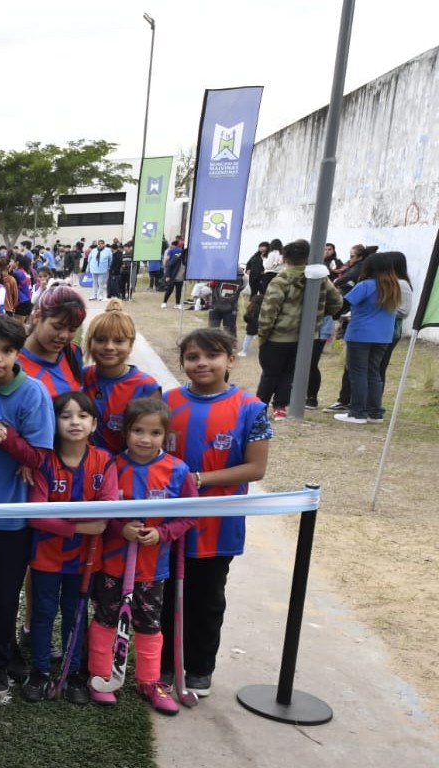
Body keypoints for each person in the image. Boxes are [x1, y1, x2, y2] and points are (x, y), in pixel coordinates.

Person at [164, 327, 271, 697]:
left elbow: (255, 468)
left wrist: (198, 478)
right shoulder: (167, 401)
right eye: (192, 357)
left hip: (218, 525)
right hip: (168, 522)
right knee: (165, 595)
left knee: (207, 597)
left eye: (211, 355)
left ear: (230, 359)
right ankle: (163, 665)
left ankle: (198, 669)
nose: (201, 363)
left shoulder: (251, 408)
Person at [7, 392, 118, 703]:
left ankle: (73, 674)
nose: (74, 422)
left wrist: (64, 512)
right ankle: (40, 671)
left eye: (82, 416)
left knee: (75, 613)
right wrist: (83, 524)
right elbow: (37, 514)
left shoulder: (104, 460)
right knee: (43, 613)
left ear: (94, 423)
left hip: (85, 559)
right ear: (53, 422)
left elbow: (108, 505)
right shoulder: (44, 461)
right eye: (66, 416)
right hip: (46, 556)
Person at [88, 397, 196, 715]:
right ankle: (101, 673)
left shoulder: (178, 471)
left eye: (155, 433)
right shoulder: (112, 465)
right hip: (113, 564)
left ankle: (150, 681)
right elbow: (100, 509)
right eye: (138, 431)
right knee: (106, 618)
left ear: (166, 436)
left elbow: (191, 514)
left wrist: (162, 534)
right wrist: (120, 529)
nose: (145, 439)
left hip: (153, 568)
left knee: (149, 624)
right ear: (126, 432)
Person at [0, 315, 53, 697]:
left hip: (8, 518)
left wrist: (8, 438)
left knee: (2, 597)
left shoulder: (32, 393)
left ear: (18, 353)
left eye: (6, 351)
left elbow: (39, 458)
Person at [255, 239, 343, 419]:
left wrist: (263, 335)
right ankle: (280, 407)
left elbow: (269, 311)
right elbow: (337, 303)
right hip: (305, 338)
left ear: (285, 258)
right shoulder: (320, 279)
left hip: (278, 337)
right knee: (289, 374)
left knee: (270, 374)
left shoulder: (281, 280)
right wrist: (320, 314)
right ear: (308, 257)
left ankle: (258, 408)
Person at [334, 251, 407, 424]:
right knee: (374, 373)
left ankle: (357, 412)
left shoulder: (365, 285)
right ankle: (375, 413)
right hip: (383, 336)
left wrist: (331, 314)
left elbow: (344, 304)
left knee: (358, 373)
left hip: (361, 334)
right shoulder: (394, 286)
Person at [83, 302, 162, 454]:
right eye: (100, 340)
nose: (109, 347)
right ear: (90, 342)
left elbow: (152, 442)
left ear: (131, 345)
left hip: (124, 470)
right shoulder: (80, 378)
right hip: (84, 469)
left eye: (119, 341)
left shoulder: (146, 387)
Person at [18, 286, 87, 396]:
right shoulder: (11, 361)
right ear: (37, 317)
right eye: (57, 326)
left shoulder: (74, 352)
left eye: (72, 329)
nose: (64, 336)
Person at [160, 239, 186, 308]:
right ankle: (164, 302)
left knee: (179, 291)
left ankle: (177, 304)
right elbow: (170, 264)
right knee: (169, 289)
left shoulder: (184, 255)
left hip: (181, 276)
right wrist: (168, 275)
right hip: (173, 275)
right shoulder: (179, 253)